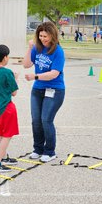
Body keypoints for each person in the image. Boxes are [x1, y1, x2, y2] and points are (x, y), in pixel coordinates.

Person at [23, 21, 66, 162]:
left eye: (45, 36)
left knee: (46, 120)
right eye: (40, 36)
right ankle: (38, 149)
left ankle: (50, 151)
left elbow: (54, 73)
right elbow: (26, 64)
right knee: (36, 120)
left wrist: (36, 76)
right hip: (38, 89)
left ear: (53, 36)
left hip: (55, 89)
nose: (42, 39)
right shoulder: (38, 48)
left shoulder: (58, 52)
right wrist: (30, 48)